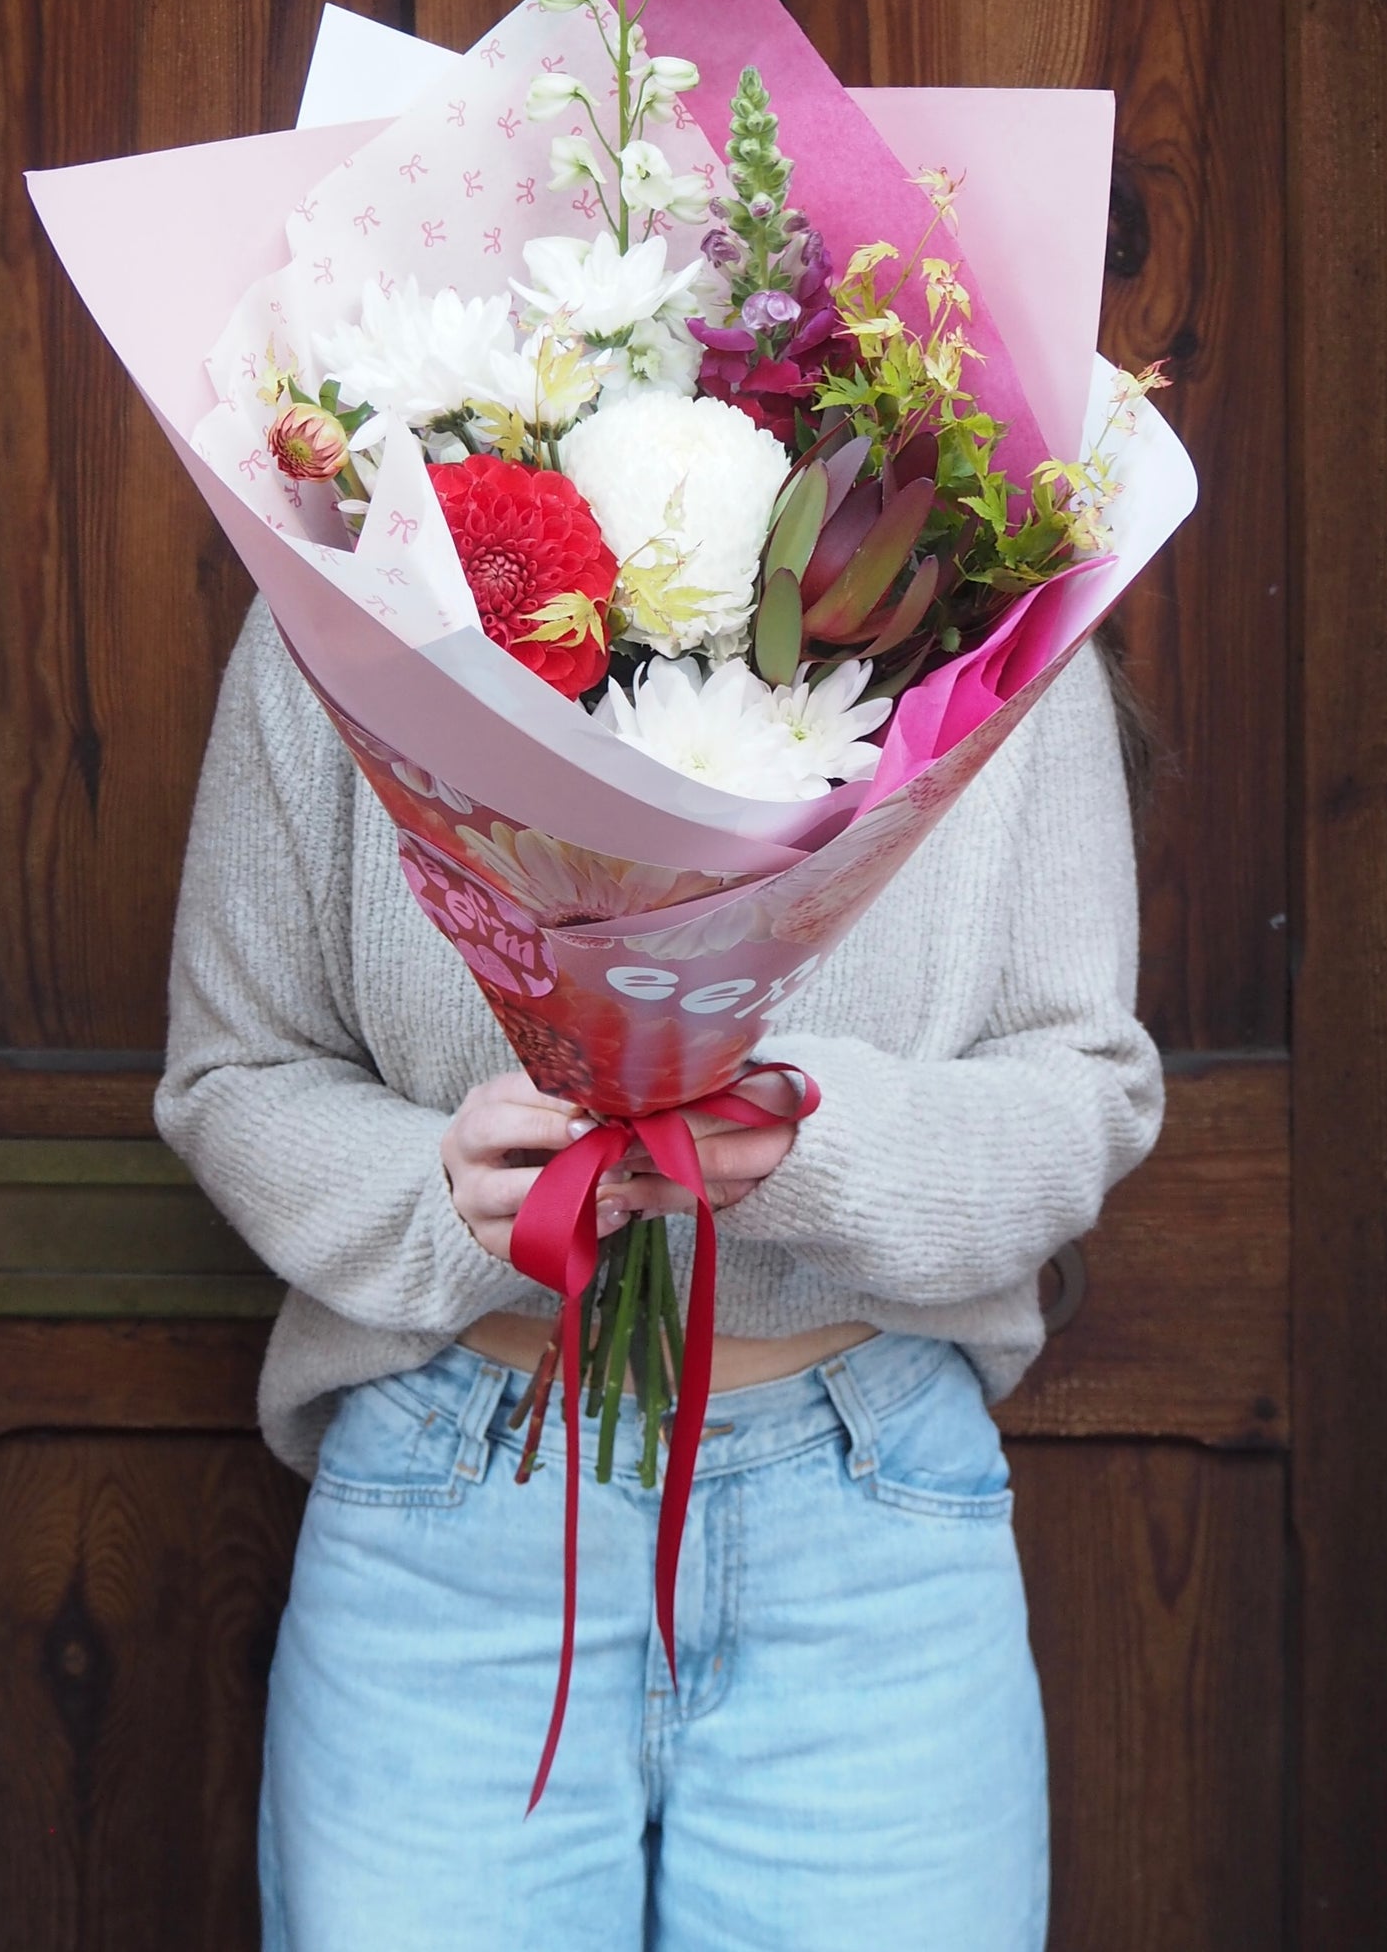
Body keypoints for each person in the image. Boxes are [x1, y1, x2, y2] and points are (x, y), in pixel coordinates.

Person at [158, 601, 1160, 1952]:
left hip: (869, 1532)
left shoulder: (996, 605)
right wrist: (445, 1198)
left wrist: (818, 1144)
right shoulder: (353, 593)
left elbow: (1079, 1091)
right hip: (453, 1513)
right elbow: (237, 1077)